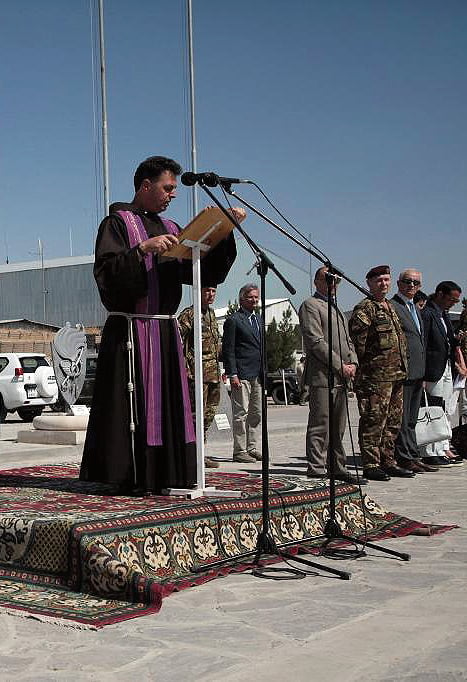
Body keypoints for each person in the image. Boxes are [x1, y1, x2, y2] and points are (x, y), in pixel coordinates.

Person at [79, 155, 239, 495]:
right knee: (130, 407)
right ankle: (128, 475)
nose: (173, 195)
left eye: (174, 189)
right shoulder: (116, 223)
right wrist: (140, 251)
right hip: (130, 332)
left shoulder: (173, 229)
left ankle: (168, 473)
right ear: (145, 186)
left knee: (170, 405)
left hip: (164, 332)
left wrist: (224, 234)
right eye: (167, 188)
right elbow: (106, 274)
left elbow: (201, 271)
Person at [299, 266, 364, 484]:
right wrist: (339, 365)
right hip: (322, 376)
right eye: (327, 280)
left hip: (342, 377)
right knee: (321, 423)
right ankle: (316, 467)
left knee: (339, 425)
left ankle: (338, 467)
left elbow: (347, 340)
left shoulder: (336, 308)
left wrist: (353, 361)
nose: (332, 284)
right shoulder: (311, 305)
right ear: (317, 282)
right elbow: (316, 341)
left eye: (336, 281)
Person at [349, 265, 412, 481]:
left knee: (393, 421)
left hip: (396, 375)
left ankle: (388, 460)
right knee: (373, 420)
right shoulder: (365, 309)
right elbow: (358, 345)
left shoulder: (390, 307)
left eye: (386, 280)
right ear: (369, 283)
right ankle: (371, 463)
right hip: (375, 377)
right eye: (379, 281)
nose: (383, 284)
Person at [391, 270, 437, 473]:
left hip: (418, 371)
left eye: (416, 283)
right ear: (399, 284)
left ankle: (412, 454)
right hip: (403, 370)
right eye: (407, 281)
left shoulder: (415, 308)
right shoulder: (393, 306)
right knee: (402, 418)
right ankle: (403, 456)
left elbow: (420, 340)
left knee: (411, 418)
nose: (411, 285)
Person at [421, 281, 465, 466]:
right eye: (450, 299)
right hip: (433, 369)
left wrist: (455, 341)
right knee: (433, 408)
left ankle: (441, 447)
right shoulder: (428, 313)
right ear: (440, 294)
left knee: (445, 409)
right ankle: (429, 451)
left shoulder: (443, 315)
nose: (452, 304)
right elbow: (424, 343)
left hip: (446, 366)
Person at [178, 286, 222, 468]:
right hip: (197, 374)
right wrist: (185, 368)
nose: (210, 295)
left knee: (208, 416)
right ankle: (192, 455)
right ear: (198, 291)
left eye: (213, 291)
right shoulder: (189, 314)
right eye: (207, 291)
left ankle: (201, 453)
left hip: (213, 374)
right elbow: (179, 342)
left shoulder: (211, 314)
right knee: (197, 415)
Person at [222, 284, 262, 463]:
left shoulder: (259, 319)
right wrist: (233, 374)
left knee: (256, 414)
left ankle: (251, 447)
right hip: (242, 374)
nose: (254, 300)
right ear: (242, 299)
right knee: (241, 414)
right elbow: (228, 349)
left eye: (256, 297)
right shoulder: (234, 320)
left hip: (257, 375)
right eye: (251, 297)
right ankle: (239, 451)